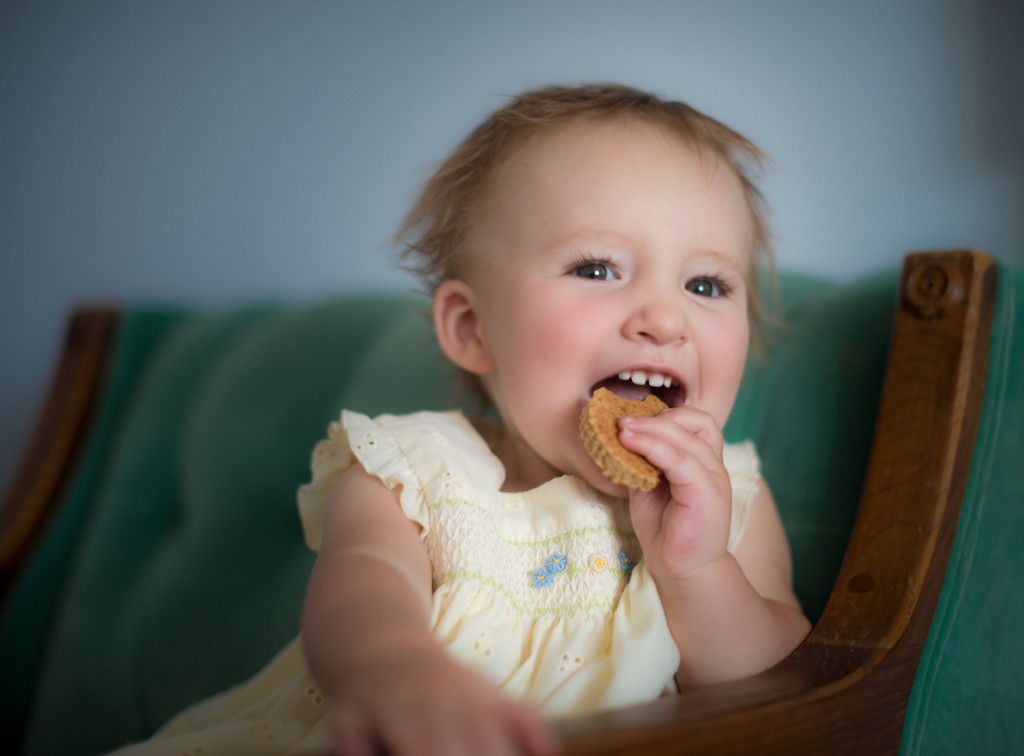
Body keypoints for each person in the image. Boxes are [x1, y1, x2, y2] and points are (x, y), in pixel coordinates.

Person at [111, 83, 810, 756]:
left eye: (706, 284)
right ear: (473, 327)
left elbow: (780, 689)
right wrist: (398, 671)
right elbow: (359, 598)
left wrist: (698, 569)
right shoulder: (414, 475)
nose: (665, 318)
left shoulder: (731, 496)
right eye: (597, 269)